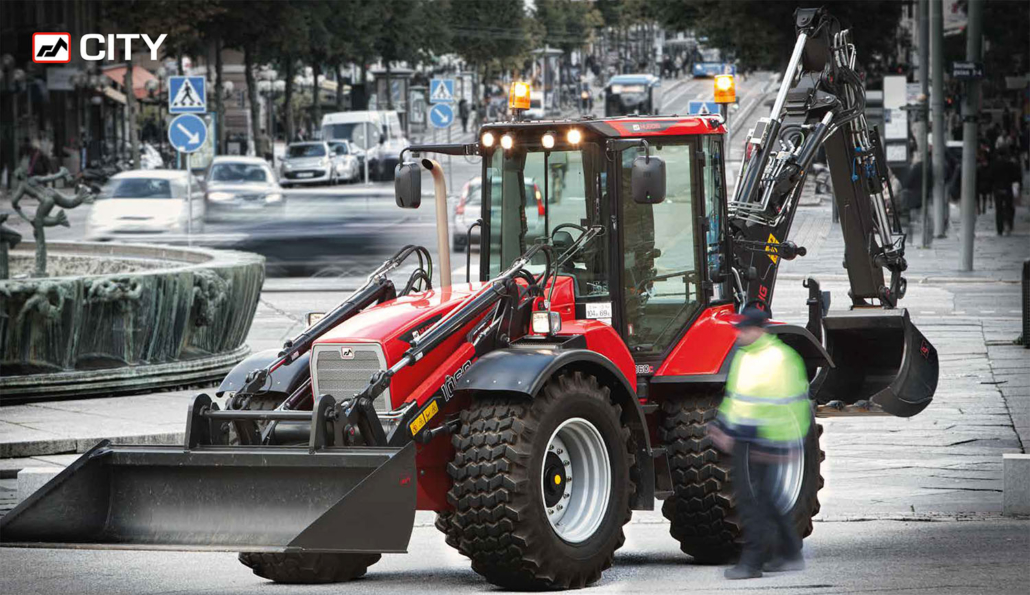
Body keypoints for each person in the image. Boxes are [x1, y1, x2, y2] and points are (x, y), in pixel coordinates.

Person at [708, 306, 812, 580]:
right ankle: (790, 552)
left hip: (768, 439)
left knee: (751, 502)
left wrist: (787, 445)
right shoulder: (745, 356)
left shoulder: (779, 358)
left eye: (743, 329)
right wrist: (724, 427)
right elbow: (737, 398)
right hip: (746, 437)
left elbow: (793, 405)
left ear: (757, 329)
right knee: (764, 498)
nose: (738, 334)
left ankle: (753, 562)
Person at [990, 148, 1021, 235]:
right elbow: (1016, 177)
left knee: (999, 209)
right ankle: (1009, 225)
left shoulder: (994, 165)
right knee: (1009, 208)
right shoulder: (1011, 165)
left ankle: (999, 229)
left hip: (997, 189)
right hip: (1008, 188)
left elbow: (991, 177)